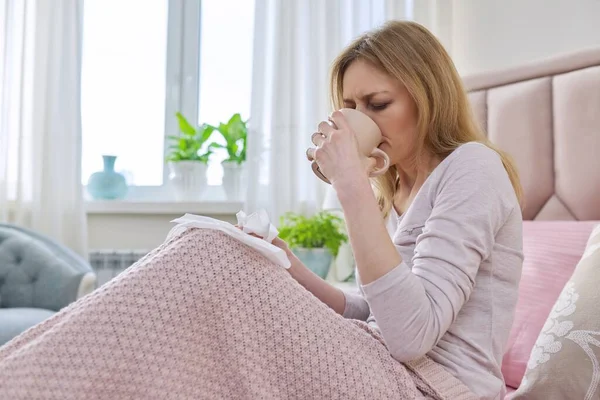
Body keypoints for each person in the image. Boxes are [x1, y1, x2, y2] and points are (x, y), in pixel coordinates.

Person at [0, 21, 523, 400]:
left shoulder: (472, 169)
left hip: (431, 388)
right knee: (225, 253)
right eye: (349, 108)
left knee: (208, 254)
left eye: (377, 104)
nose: (359, 120)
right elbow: (376, 309)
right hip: (385, 365)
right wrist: (293, 272)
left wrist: (349, 184)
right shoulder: (400, 187)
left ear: (427, 96)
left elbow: (411, 336)